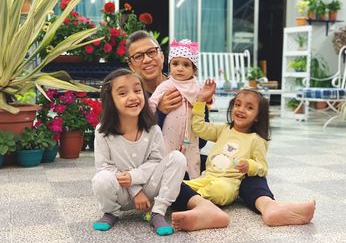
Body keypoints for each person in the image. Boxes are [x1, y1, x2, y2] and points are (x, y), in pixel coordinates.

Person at [126, 30, 315, 230]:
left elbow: (203, 139)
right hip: (156, 162)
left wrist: (201, 104)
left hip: (190, 154)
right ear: (131, 64)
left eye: (152, 52)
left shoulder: (190, 85)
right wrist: (161, 113)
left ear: (162, 56)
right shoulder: (130, 95)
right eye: (138, 56)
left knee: (234, 164)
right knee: (171, 180)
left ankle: (269, 206)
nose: (147, 59)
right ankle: (203, 206)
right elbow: (133, 142)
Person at [91, 68, 187, 236]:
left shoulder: (153, 130)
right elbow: (104, 167)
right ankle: (110, 213)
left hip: (149, 189)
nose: (133, 97)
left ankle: (158, 212)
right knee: (101, 179)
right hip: (119, 192)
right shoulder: (102, 132)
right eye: (122, 93)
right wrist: (135, 190)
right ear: (110, 100)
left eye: (137, 90)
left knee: (178, 158)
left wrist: (135, 178)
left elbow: (156, 162)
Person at [184, 83, 270, 206]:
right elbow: (199, 127)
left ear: (257, 116)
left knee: (219, 191)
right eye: (237, 104)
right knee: (179, 185)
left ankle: (191, 199)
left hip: (228, 184)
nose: (241, 110)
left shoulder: (257, 140)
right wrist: (201, 102)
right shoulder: (223, 129)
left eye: (249, 108)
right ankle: (194, 199)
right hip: (205, 178)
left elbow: (263, 168)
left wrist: (250, 166)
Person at [149, 39, 201, 179]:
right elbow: (152, 102)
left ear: (194, 70)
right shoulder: (167, 85)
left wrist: (206, 98)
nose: (180, 68)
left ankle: (194, 185)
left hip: (190, 135)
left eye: (186, 65)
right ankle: (162, 181)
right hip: (169, 134)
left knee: (193, 159)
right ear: (169, 66)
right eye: (175, 64)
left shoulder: (196, 87)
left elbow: (203, 101)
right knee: (166, 155)